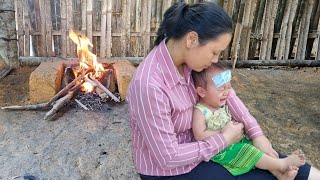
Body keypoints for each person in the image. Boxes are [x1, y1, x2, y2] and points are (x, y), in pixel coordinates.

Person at [126, 2, 320, 180]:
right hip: (171, 171)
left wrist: (257, 135)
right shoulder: (149, 86)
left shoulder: (197, 65)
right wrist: (224, 139)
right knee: (265, 174)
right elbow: (168, 157)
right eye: (214, 52)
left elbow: (229, 94)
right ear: (192, 39)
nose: (215, 60)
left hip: (209, 149)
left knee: (284, 165)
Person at [191, 62, 305, 178]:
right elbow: (199, 135)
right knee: (248, 151)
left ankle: (279, 175)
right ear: (202, 92)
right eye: (221, 89)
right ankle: (282, 164)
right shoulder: (201, 111)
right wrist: (223, 133)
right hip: (220, 151)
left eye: (229, 87)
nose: (226, 93)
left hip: (234, 142)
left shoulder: (222, 103)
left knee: (257, 147)